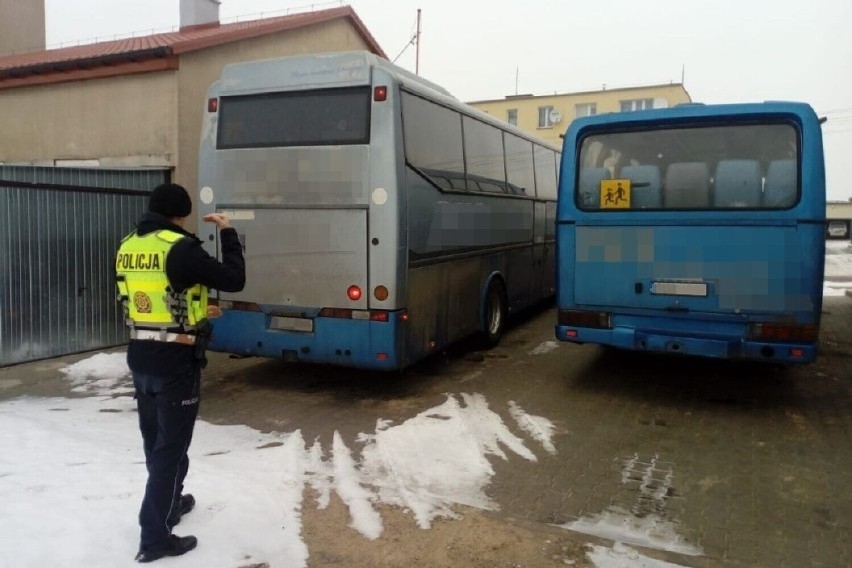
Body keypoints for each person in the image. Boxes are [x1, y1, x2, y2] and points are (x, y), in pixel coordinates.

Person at [115, 183, 245, 562]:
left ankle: (170, 503)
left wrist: (201, 312)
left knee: (156, 440)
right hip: (175, 361)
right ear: (182, 214)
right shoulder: (180, 247)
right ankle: (154, 536)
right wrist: (228, 231)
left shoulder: (128, 246)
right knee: (170, 449)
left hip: (140, 354)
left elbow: (159, 296)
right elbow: (234, 279)